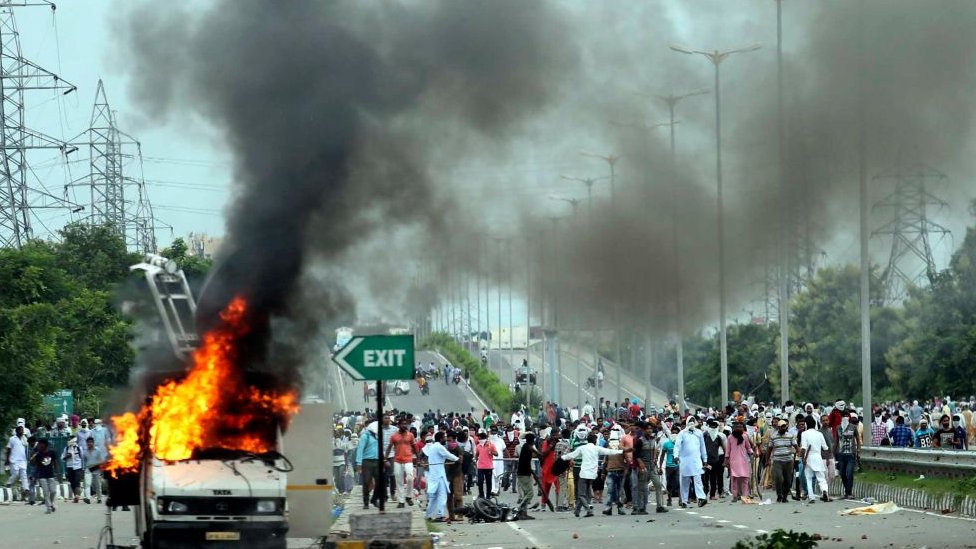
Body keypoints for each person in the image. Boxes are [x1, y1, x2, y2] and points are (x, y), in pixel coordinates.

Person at [560, 433, 622, 518]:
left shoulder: (582, 448)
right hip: (593, 474)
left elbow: (572, 455)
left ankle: (588, 510)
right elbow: (609, 451)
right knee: (587, 492)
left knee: (581, 494)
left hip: (584, 473)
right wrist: (621, 451)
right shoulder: (597, 448)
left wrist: (562, 458)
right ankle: (577, 511)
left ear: (587, 440)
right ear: (595, 441)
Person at [423, 431, 459, 521]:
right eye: (444, 437)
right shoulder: (439, 447)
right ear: (440, 438)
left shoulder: (432, 447)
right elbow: (447, 455)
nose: (446, 439)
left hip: (434, 474)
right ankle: (439, 515)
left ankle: (429, 515)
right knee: (442, 496)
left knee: (433, 497)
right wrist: (457, 459)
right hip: (439, 476)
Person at [673, 417, 709, 508]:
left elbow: (702, 447)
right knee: (685, 481)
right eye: (690, 421)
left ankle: (701, 498)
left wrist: (705, 460)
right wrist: (676, 456)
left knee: (698, 479)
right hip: (685, 461)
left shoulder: (699, 433)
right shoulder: (682, 433)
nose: (692, 422)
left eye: (693, 420)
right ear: (687, 422)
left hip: (696, 460)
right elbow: (677, 446)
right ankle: (684, 501)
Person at [799, 416, 831, 503]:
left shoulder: (804, 434)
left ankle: (811, 497)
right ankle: (824, 491)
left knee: (809, 478)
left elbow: (803, 448)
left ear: (806, 424)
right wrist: (827, 459)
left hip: (808, 457)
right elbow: (826, 448)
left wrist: (802, 459)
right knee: (821, 478)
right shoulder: (819, 434)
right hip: (818, 457)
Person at [767, 419, 797, 503]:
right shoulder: (773, 436)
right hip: (777, 461)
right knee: (779, 478)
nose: (784, 428)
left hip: (788, 460)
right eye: (782, 427)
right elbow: (769, 449)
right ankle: (779, 494)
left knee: (788, 479)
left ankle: (785, 496)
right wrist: (767, 460)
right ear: (779, 427)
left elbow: (795, 446)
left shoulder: (790, 436)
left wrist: (798, 453)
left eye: (785, 426)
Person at [388, 418, 417, 508]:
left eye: (406, 424)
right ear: (399, 425)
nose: (405, 425)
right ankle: (401, 501)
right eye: (403, 424)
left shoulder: (410, 435)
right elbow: (389, 447)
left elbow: (414, 447)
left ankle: (408, 496)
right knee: (399, 481)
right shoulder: (394, 436)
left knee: (410, 478)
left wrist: (418, 458)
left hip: (408, 459)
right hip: (397, 460)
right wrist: (385, 458)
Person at [355, 421, 382, 509]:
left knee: (379, 482)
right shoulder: (365, 436)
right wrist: (359, 463)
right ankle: (366, 502)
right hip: (367, 462)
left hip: (377, 461)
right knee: (366, 482)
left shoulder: (378, 437)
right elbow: (360, 449)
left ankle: (374, 499)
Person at [724, 421, 754, 502]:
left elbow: (748, 447)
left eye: (740, 427)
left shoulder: (745, 436)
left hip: (744, 460)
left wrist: (752, 453)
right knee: (734, 479)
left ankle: (744, 496)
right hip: (733, 461)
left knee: (745, 479)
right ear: (734, 428)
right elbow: (728, 449)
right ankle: (735, 496)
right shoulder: (730, 437)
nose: (739, 428)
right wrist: (726, 459)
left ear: (743, 428)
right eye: (737, 427)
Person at [515, 433, 541, 520]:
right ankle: (520, 510)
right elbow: (527, 462)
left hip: (525, 473)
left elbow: (536, 454)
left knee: (527, 493)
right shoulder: (527, 448)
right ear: (533, 441)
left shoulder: (526, 447)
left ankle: (524, 514)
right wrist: (533, 472)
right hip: (524, 474)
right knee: (530, 493)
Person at [30, 439, 59, 514]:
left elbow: (55, 463)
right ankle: (48, 507)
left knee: (53, 491)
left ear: (45, 445)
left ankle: (51, 503)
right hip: (42, 476)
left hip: (51, 475)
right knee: (45, 493)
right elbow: (34, 464)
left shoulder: (51, 452)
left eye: (40, 444)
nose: (38, 446)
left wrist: (57, 473)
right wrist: (33, 457)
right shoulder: (38, 455)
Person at [836, 412, 860, 499]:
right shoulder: (838, 428)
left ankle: (849, 492)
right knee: (842, 473)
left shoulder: (853, 427)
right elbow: (836, 441)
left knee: (849, 473)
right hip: (841, 454)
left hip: (851, 454)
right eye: (843, 416)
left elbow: (857, 437)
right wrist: (833, 452)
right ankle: (847, 491)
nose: (845, 418)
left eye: (846, 416)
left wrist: (858, 449)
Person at [702, 418, 727, 500]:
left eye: (715, 427)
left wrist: (725, 459)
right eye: (712, 426)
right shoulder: (705, 435)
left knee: (713, 477)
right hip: (706, 461)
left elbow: (724, 448)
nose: (713, 428)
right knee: (705, 477)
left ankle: (712, 494)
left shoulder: (718, 437)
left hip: (715, 461)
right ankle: (704, 494)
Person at [5, 424, 30, 503]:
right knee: (15, 474)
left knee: (24, 475)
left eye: (22, 430)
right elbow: (8, 449)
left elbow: (27, 448)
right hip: (14, 460)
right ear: (17, 431)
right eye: (20, 430)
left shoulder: (24, 439)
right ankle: (9, 483)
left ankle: (26, 489)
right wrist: (7, 459)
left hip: (23, 460)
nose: (22, 432)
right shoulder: (12, 439)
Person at [82, 437, 107, 504]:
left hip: (97, 469)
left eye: (91, 442)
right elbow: (84, 462)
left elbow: (102, 461)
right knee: (87, 484)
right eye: (88, 442)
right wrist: (83, 470)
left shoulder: (98, 451)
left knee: (97, 485)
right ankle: (87, 498)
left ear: (93, 442)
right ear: (86, 443)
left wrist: (102, 470)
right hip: (88, 469)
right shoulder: (85, 452)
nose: (89, 443)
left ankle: (99, 498)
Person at [661, 425, 680, 507]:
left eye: (676, 432)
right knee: (669, 484)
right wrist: (660, 466)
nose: (674, 433)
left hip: (678, 465)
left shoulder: (681, 443)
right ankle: (669, 499)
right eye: (673, 432)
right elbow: (662, 455)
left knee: (678, 483)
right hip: (669, 465)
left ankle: (681, 499)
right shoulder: (666, 444)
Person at [62, 437, 84, 503]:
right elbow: (62, 458)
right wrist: (67, 456)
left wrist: (83, 468)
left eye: (70, 440)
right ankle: (76, 496)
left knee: (77, 481)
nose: (69, 441)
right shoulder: (66, 448)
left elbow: (83, 458)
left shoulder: (79, 448)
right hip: (69, 467)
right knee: (72, 482)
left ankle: (77, 496)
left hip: (78, 467)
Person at [475, 431, 497, 498]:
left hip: (488, 467)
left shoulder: (491, 445)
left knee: (488, 482)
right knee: (480, 481)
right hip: (480, 467)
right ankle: (481, 495)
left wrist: (492, 452)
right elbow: (477, 454)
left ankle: (488, 496)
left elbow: (496, 453)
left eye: (480, 438)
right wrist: (476, 460)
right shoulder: (478, 446)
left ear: (484, 439)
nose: (479, 440)